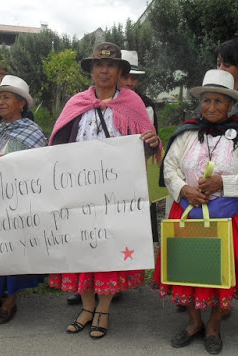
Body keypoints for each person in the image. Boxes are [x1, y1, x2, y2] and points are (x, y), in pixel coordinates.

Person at [48, 42, 161, 339]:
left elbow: (150, 145)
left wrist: (151, 141)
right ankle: (87, 307)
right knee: (81, 248)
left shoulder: (132, 102)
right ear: (91, 70)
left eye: (111, 65)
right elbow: (57, 145)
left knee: (108, 250)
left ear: (120, 71)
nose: (104, 70)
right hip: (79, 195)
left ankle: (104, 308)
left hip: (116, 197)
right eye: (99, 65)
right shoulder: (77, 103)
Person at [152, 69, 238, 354]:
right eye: (207, 101)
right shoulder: (186, 133)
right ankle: (193, 323)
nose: (212, 107)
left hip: (230, 216)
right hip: (188, 210)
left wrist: (222, 183)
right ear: (200, 103)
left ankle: (214, 325)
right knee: (187, 269)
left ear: (230, 105)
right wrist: (184, 189)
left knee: (221, 272)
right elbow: (169, 168)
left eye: (219, 101)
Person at [0, 75, 47, 324]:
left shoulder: (32, 134)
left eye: (6, 97)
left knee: (11, 254)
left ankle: (10, 302)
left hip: (15, 207)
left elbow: (41, 171)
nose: (0, 102)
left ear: (21, 103)